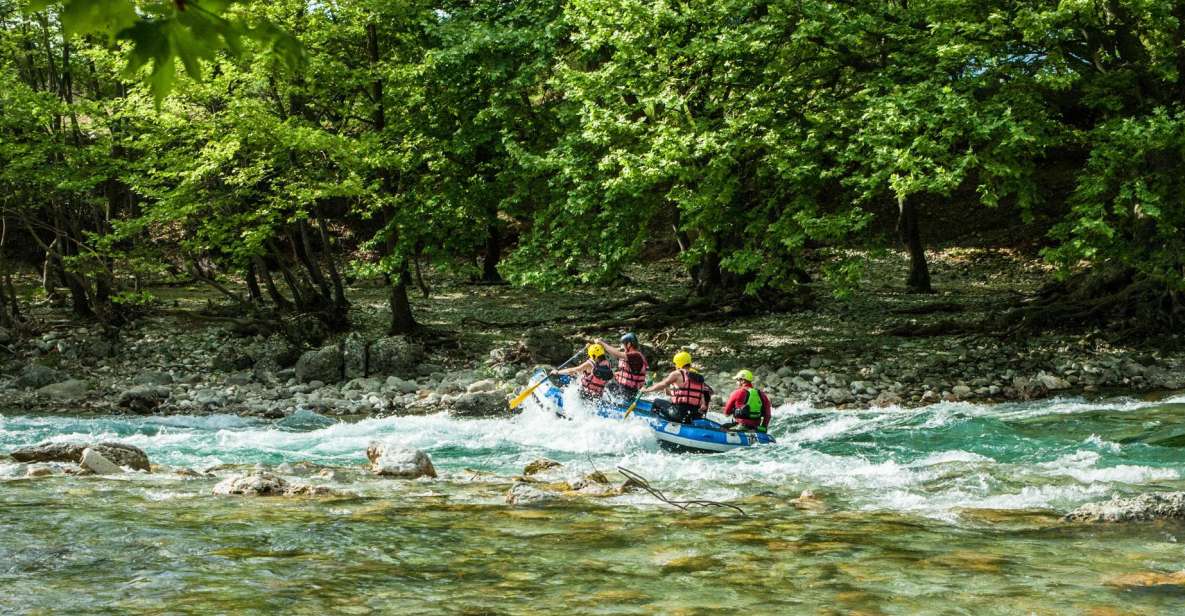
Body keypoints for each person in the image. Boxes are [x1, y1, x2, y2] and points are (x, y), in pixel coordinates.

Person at [642, 351, 712, 423]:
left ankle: (653, 423)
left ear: (679, 363)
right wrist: (667, 389)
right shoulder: (699, 378)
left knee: (656, 402)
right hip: (694, 416)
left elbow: (662, 384)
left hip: (678, 414)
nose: (675, 366)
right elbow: (690, 395)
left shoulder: (677, 374)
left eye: (675, 363)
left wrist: (646, 390)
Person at [595, 332, 648, 402]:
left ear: (629, 344)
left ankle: (599, 401)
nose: (622, 346)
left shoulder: (636, 355)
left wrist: (602, 343)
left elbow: (617, 354)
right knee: (607, 379)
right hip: (625, 390)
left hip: (627, 392)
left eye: (623, 344)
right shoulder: (631, 355)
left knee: (606, 384)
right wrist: (616, 374)